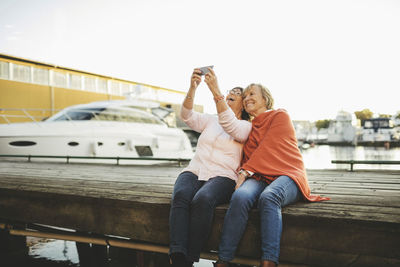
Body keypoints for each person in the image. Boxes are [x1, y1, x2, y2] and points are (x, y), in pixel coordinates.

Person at [204, 68, 329, 267]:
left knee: (269, 197)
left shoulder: (280, 115)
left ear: (266, 99)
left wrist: (245, 172)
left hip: (288, 173)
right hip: (260, 175)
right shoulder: (251, 127)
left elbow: (269, 147)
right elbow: (243, 152)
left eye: (252, 94)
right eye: (244, 97)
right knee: (240, 196)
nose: (246, 99)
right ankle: (224, 259)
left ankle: (269, 260)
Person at [169, 68, 250, 267]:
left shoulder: (246, 126)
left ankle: (190, 256)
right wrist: (193, 87)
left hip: (223, 177)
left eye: (238, 93)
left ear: (244, 105)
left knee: (203, 199)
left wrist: (216, 90)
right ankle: (178, 255)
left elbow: (231, 127)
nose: (232, 93)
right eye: (231, 91)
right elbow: (186, 115)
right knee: (180, 196)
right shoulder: (211, 120)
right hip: (195, 170)